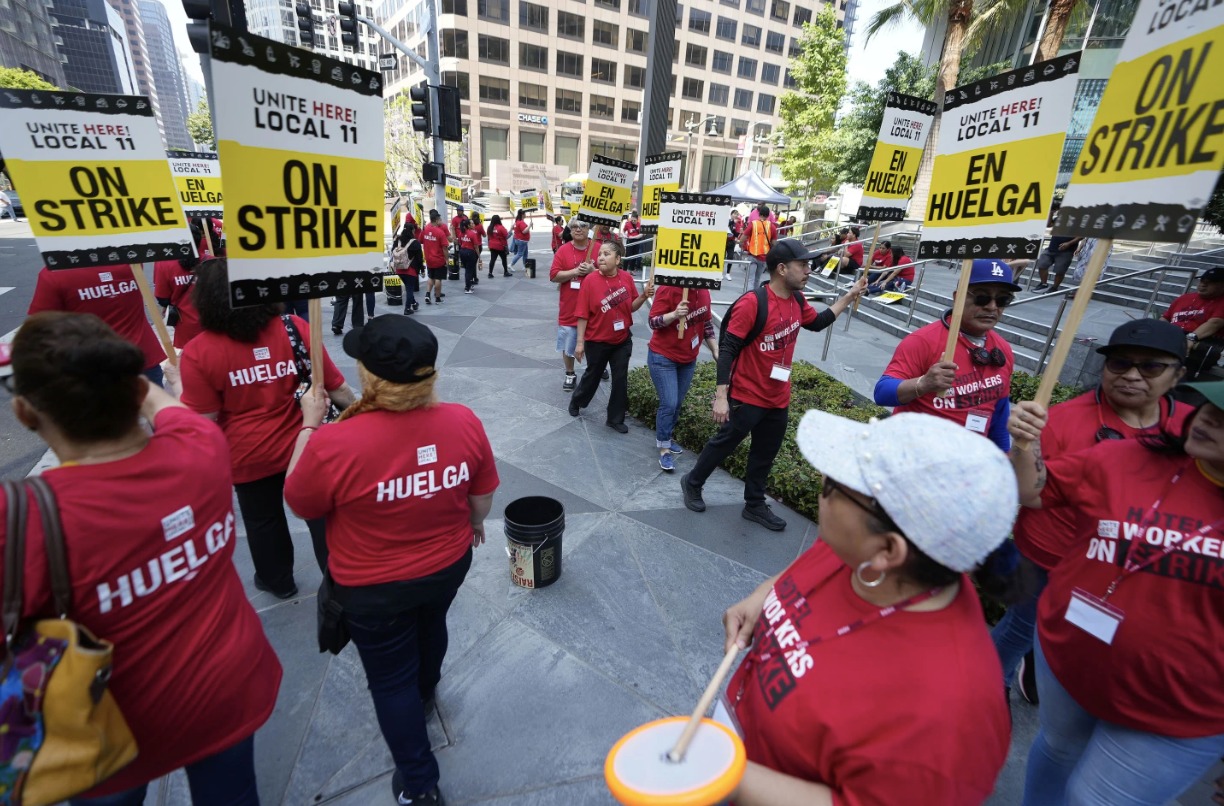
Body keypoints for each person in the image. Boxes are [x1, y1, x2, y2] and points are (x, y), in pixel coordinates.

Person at [3, 311, 282, 803]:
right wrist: (140, 378)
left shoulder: (17, 517)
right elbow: (166, 406)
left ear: (24, 414)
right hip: (228, 689)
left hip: (103, 725)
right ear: (133, 389)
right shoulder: (202, 446)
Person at [722, 410, 1013, 805]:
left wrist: (726, 776)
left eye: (835, 486)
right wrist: (765, 595)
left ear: (888, 551)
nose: (822, 479)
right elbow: (819, 557)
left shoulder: (947, 717)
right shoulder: (862, 553)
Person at [284, 315, 497, 806]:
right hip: (447, 564)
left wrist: (308, 427)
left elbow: (300, 501)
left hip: (372, 589)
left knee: (389, 680)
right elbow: (481, 499)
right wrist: (472, 523)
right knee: (432, 624)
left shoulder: (336, 441)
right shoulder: (462, 420)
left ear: (371, 377)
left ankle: (419, 784)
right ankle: (427, 690)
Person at [1007, 381, 1224, 805]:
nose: (1211, 419)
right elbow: (1031, 491)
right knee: (1055, 749)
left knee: (1093, 799)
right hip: (1068, 660)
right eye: (1211, 406)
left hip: (1178, 710)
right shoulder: (1126, 457)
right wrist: (1023, 444)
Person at [990, 320, 1189, 706]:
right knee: (1023, 624)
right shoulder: (1059, 419)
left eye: (1150, 367)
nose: (1132, 375)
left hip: (1129, 566)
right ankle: (988, 682)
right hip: (1048, 556)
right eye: (1119, 364)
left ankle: (1044, 670)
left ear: (1178, 373)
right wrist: (1022, 444)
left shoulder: (1190, 428)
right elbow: (1028, 495)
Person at [178, 259, 357, 599]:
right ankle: (340, 584)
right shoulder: (294, 328)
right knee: (321, 518)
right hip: (305, 445)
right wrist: (365, 413)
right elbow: (337, 389)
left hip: (247, 458)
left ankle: (278, 581)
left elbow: (202, 426)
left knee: (263, 522)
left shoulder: (198, 353)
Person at [681, 239, 866, 530]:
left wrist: (849, 294)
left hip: (778, 396)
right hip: (747, 394)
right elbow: (728, 349)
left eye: (808, 265)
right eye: (803, 265)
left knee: (765, 453)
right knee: (724, 444)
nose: (809, 270)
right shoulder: (752, 303)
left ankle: (754, 504)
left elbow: (817, 323)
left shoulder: (797, 300)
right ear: (781, 268)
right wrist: (721, 395)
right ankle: (692, 482)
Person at [873, 258, 1021, 452]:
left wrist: (1003, 463)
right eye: (982, 298)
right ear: (958, 297)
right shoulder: (923, 341)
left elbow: (999, 415)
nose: (992, 307)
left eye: (1002, 300)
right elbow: (882, 392)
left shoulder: (1003, 349)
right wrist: (923, 384)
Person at [27, 264, 166, 386]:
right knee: (158, 412)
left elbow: (40, 326)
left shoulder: (54, 273)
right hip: (140, 355)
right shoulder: (130, 263)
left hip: (90, 364)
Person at [568, 240, 652, 432]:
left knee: (620, 379)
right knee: (593, 376)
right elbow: (582, 314)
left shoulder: (626, 278)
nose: (601, 258)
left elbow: (630, 307)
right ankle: (577, 400)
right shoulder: (590, 281)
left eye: (606, 254)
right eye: (600, 255)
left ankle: (615, 418)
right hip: (596, 340)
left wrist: (644, 296)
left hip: (622, 340)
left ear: (618, 259)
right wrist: (580, 343)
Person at [647, 284, 717, 471]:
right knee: (669, 403)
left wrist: (715, 350)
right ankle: (664, 447)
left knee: (677, 403)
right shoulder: (667, 288)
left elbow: (707, 323)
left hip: (688, 358)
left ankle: (667, 437)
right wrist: (674, 314)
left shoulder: (704, 290)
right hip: (663, 357)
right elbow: (653, 321)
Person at [551, 219, 599, 392]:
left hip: (595, 307)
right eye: (574, 227)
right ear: (570, 230)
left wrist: (593, 272)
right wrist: (575, 272)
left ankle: (598, 368)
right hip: (570, 306)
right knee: (569, 342)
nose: (578, 229)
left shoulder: (598, 248)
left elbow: (612, 272)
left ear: (589, 229)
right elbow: (554, 275)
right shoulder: (563, 250)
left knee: (597, 341)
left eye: (583, 226)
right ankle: (570, 373)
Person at [1163, 266, 1224, 381]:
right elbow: (1165, 318)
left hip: (1201, 341)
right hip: (1173, 335)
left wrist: (1191, 338)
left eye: (1210, 283)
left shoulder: (1221, 302)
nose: (1203, 284)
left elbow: (1215, 323)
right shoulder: (1185, 298)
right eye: (1202, 281)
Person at [154, 236, 204, 350]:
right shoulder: (212, 262)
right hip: (212, 323)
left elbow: (162, 298)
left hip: (185, 325)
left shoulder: (164, 264)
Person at [740, 204, 777, 289]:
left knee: (750, 279)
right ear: (768, 215)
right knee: (757, 279)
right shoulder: (772, 227)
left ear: (759, 213)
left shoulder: (753, 224)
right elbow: (774, 243)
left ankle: (749, 298)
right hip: (764, 257)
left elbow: (743, 238)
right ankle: (757, 298)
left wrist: (740, 242)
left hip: (752, 255)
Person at [390, 224, 422, 314]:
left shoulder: (398, 240)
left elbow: (393, 251)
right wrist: (421, 270)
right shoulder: (415, 243)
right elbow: (419, 258)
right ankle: (407, 308)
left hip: (399, 269)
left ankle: (414, 303)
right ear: (412, 231)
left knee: (408, 288)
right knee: (409, 289)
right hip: (410, 270)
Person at [421, 209, 451, 305]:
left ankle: (427, 294)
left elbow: (421, 240)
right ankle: (437, 298)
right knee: (438, 279)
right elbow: (445, 248)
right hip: (438, 259)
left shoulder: (425, 229)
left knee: (431, 277)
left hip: (428, 258)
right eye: (440, 219)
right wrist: (447, 259)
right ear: (437, 220)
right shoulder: (440, 232)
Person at [457, 217, 480, 294]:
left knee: (467, 269)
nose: (473, 224)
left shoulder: (461, 233)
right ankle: (467, 288)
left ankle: (469, 285)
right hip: (470, 253)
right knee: (469, 271)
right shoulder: (472, 234)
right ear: (468, 226)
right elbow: (476, 246)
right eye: (471, 223)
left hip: (462, 252)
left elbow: (460, 242)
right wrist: (479, 256)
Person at [509, 209, 530, 273]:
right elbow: (524, 231)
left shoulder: (517, 221)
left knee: (525, 253)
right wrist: (529, 226)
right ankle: (511, 264)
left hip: (520, 240)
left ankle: (525, 266)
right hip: (522, 240)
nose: (526, 215)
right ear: (522, 214)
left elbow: (513, 228)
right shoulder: (521, 222)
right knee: (520, 253)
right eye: (525, 214)